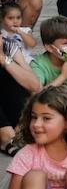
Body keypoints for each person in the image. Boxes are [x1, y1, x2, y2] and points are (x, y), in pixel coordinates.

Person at [0, 13, 40, 156]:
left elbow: (35, 86)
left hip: (10, 111)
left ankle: (15, 130)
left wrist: (3, 59)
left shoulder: (8, 45)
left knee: (13, 74)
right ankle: (6, 134)